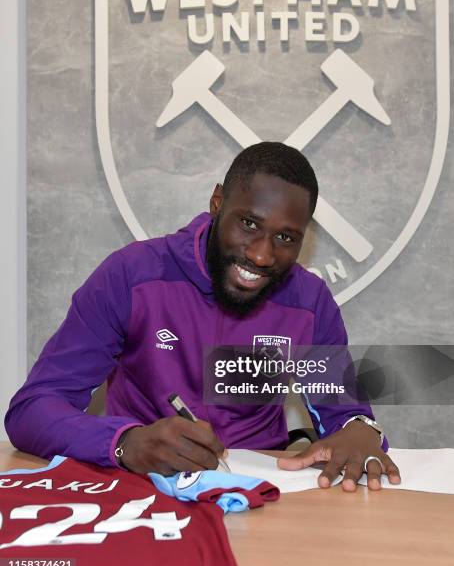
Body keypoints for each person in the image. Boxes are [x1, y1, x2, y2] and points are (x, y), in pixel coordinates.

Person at [5, 142, 400, 492]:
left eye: (285, 238)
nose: (262, 256)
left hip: (261, 494)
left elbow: (346, 413)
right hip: (140, 487)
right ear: (217, 203)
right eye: (249, 224)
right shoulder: (131, 275)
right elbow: (33, 409)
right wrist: (126, 442)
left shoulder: (308, 302)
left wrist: (360, 432)